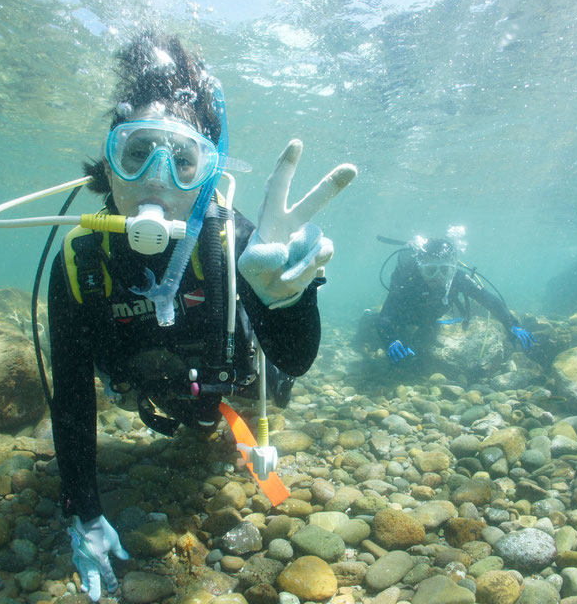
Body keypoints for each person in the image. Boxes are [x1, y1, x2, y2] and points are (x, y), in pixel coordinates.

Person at [47, 32, 355, 601]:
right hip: (155, 389)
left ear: (209, 172)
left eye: (184, 162)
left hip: (231, 379)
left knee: (275, 387)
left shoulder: (240, 241)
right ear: (109, 164)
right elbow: (70, 397)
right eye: (136, 154)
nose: (157, 180)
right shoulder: (78, 263)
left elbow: (296, 359)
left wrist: (290, 301)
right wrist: (83, 513)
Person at [374, 226, 534, 363]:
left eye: (445, 270)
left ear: (453, 268)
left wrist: (512, 324)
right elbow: (386, 317)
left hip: (431, 318)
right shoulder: (409, 280)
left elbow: (489, 300)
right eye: (430, 270)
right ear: (420, 267)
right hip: (406, 318)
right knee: (400, 358)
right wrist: (391, 340)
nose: (437, 277)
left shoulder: (458, 278)